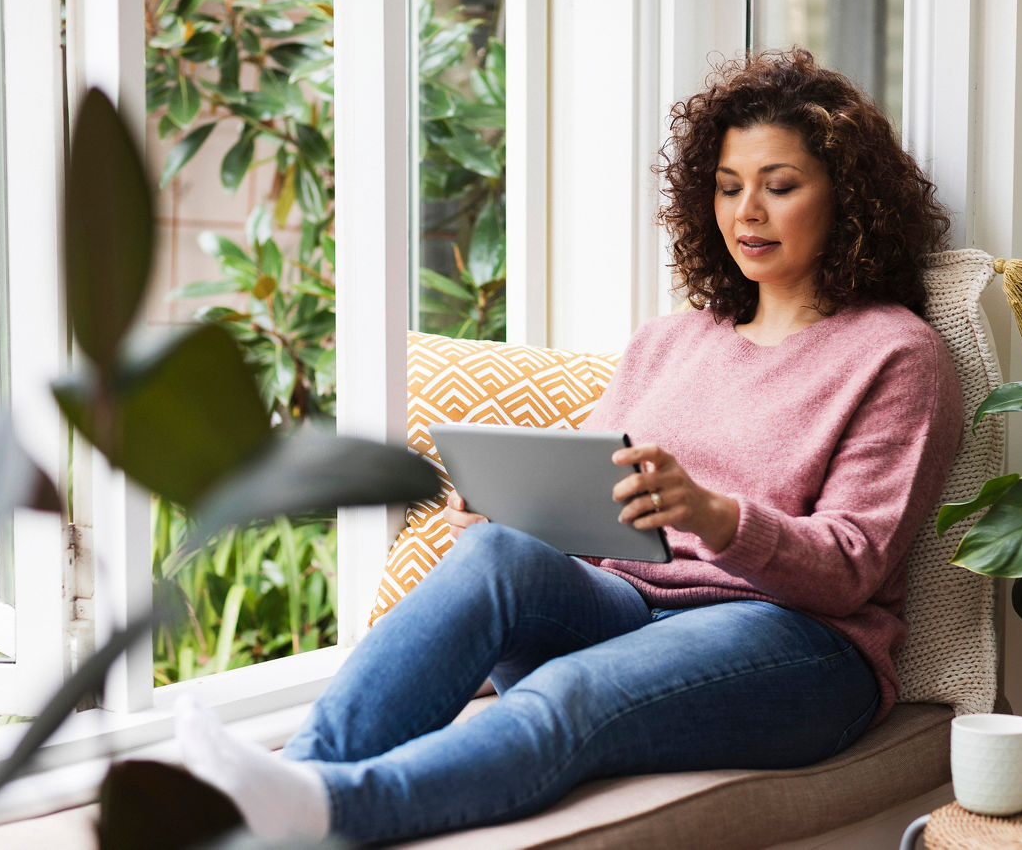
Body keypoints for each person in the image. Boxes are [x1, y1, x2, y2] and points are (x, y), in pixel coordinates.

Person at [175, 47, 963, 845]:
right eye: (728, 187)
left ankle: (330, 811)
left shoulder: (898, 356)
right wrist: (506, 517)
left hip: (789, 641)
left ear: (849, 198)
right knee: (494, 558)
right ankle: (283, 789)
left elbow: (851, 565)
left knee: (568, 692)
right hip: (624, 603)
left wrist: (719, 517)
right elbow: (593, 511)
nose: (746, 213)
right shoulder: (668, 341)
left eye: (780, 186)